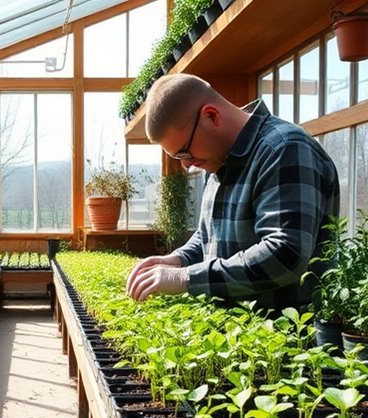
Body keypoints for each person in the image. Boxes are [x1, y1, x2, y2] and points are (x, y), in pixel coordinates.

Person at [125, 73, 340, 311]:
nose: (186, 164)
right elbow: (209, 236)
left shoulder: (283, 149)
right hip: (235, 337)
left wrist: (186, 278)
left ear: (210, 115)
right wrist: (179, 260)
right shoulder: (219, 161)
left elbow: (285, 254)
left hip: (287, 338)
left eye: (185, 152)